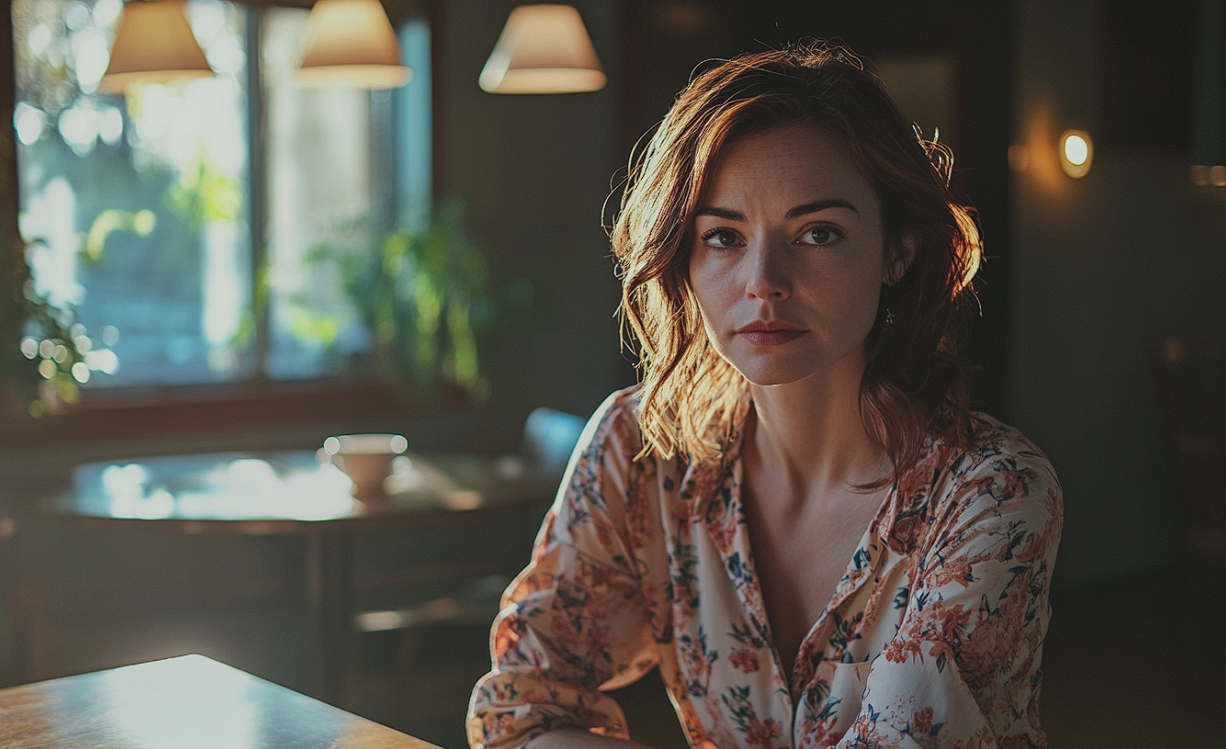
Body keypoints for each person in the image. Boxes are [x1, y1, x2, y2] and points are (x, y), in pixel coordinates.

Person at [468, 41, 1062, 749]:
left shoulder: (989, 495)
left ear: (897, 250)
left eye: (817, 232)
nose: (764, 280)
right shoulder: (640, 450)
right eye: (723, 236)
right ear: (681, 258)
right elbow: (523, 706)